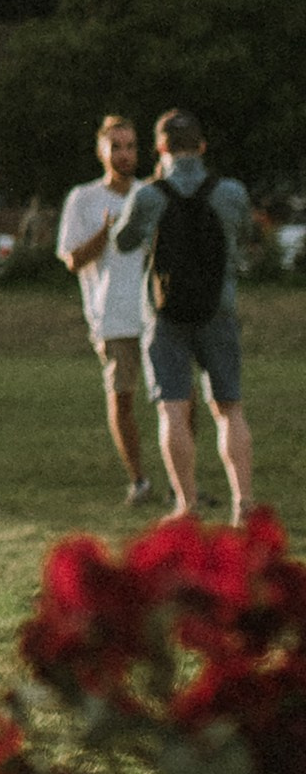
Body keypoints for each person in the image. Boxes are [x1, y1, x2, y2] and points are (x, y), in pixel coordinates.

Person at [113, 110, 255, 525]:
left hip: (164, 313)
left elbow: (124, 242)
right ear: (203, 146)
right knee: (229, 408)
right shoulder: (230, 191)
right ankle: (243, 504)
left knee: (172, 409)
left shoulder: (149, 195)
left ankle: (185, 505)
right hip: (219, 310)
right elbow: (245, 235)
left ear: (160, 148)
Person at [56, 115, 156, 508]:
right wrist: (105, 232)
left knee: (181, 400)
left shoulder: (150, 194)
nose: (124, 154)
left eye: (130, 146)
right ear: (101, 151)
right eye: (116, 146)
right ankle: (140, 480)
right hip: (112, 316)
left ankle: (185, 484)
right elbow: (73, 259)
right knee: (123, 400)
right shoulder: (84, 198)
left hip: (156, 313)